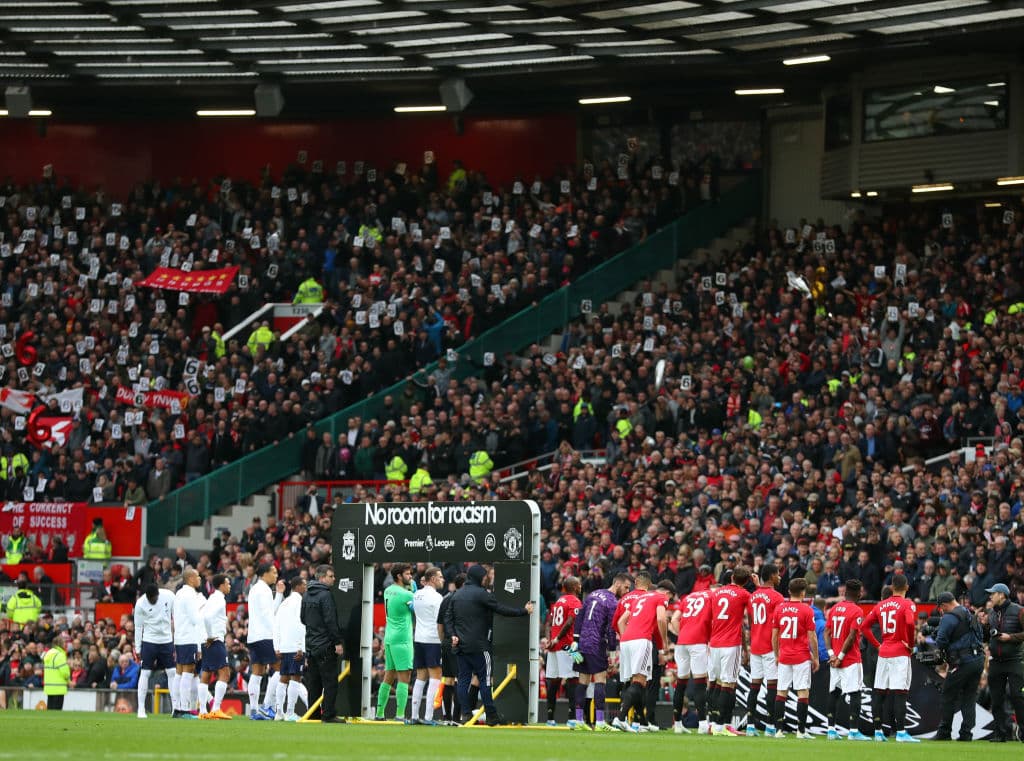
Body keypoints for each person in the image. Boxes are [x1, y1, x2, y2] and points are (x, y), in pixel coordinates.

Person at [443, 564, 533, 726]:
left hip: (461, 647)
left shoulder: (456, 595)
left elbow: (448, 618)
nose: (486, 579)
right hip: (480, 647)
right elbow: (501, 609)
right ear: (479, 577)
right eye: (484, 577)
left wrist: (452, 635)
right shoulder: (482, 594)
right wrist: (523, 611)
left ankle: (465, 713)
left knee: (463, 681)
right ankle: (491, 716)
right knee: (485, 681)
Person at [860, 573, 919, 742]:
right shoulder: (907, 603)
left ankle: (878, 732)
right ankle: (900, 733)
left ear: (892, 587)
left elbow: (864, 626)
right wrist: (910, 643)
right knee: (900, 693)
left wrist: (878, 645)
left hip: (884, 652)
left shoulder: (881, 605)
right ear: (907, 587)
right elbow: (909, 622)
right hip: (900, 652)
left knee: (879, 693)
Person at [611, 579, 673, 733]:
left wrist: (627, 637)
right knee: (639, 681)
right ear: (668, 593)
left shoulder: (639, 598)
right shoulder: (660, 598)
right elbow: (661, 619)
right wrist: (665, 643)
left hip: (626, 641)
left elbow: (620, 621)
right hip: (642, 640)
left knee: (637, 683)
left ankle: (643, 722)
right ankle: (620, 718)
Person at [575, 573, 631, 732]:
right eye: (626, 587)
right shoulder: (613, 602)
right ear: (618, 584)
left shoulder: (592, 594)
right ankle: (600, 722)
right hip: (596, 643)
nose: (627, 591)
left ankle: (578, 720)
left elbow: (580, 617)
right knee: (600, 681)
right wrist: (613, 654)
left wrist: (576, 639)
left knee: (582, 682)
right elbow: (611, 630)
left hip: (583, 643)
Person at [931, 590, 984, 741]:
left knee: (948, 694)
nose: (941, 611)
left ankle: (944, 732)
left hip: (962, 662)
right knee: (969, 696)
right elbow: (980, 635)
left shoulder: (949, 617)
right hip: (978, 659)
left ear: (944, 605)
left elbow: (941, 641)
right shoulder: (968, 612)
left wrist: (937, 636)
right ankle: (966, 734)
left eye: (941, 608)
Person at [771, 577, 819, 739]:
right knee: (802, 692)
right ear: (803, 592)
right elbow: (812, 637)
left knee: (781, 692)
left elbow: (774, 635)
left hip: (784, 656)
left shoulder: (779, 609)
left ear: (789, 591)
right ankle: (801, 731)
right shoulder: (807, 610)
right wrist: (816, 658)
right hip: (801, 656)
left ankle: (778, 730)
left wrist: (777, 654)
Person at [824, 579, 870, 741]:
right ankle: (853, 731)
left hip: (834, 659)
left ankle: (830, 730)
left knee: (834, 692)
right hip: (849, 659)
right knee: (855, 693)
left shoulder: (834, 608)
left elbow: (826, 633)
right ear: (858, 593)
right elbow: (851, 637)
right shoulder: (857, 611)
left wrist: (832, 654)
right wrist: (841, 657)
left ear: (845, 592)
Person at [708, 564, 752, 735]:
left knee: (718, 683)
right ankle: (721, 726)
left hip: (715, 643)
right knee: (729, 683)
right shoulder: (744, 594)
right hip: (730, 644)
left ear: (732, 578)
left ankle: (714, 723)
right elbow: (754, 608)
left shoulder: (716, 593)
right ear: (746, 581)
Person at [301, 564, 345, 723]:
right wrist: (337, 642)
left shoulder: (306, 594)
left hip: (311, 646)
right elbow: (331, 621)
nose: (334, 579)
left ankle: (313, 714)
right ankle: (328, 714)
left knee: (314, 683)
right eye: (331, 576)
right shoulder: (325, 595)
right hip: (325, 645)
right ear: (321, 578)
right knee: (330, 682)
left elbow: (302, 619)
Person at [980, 582, 1024, 742]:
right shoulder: (991, 613)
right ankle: (1001, 733)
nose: (990, 596)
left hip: (1014, 661)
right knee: (996, 699)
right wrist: (984, 626)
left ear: (1002, 595)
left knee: (1017, 696)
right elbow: (986, 638)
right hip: (996, 662)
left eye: (993, 593)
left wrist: (1010, 637)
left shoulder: (1019, 610)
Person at [670, 581, 713, 734]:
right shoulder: (713, 596)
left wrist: (681, 634)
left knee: (680, 684)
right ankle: (702, 724)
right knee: (700, 683)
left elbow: (674, 619)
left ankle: (678, 725)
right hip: (698, 642)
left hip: (681, 643)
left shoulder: (688, 597)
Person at [746, 564, 783, 737]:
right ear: (771, 576)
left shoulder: (753, 596)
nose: (780, 577)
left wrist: (758, 587)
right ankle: (770, 726)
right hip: (770, 647)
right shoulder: (777, 597)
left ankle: (750, 726)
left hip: (755, 645)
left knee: (754, 687)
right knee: (772, 687)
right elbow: (780, 624)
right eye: (778, 574)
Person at [376, 563, 415, 722]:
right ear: (399, 576)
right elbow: (417, 608)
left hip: (390, 638)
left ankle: (379, 714)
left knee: (388, 676)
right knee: (404, 677)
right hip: (402, 639)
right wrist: (414, 590)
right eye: (408, 574)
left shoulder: (388, 590)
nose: (411, 577)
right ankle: (400, 715)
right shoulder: (406, 595)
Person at [247, 562, 285, 720]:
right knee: (281, 669)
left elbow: (269, 611)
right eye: (274, 572)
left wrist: (280, 594)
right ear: (264, 574)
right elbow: (268, 616)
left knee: (257, 672)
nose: (276, 575)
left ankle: (255, 711)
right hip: (265, 636)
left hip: (254, 636)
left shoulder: (256, 588)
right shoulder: (263, 590)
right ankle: (267, 706)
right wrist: (277, 635)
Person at [133, 582, 176, 719]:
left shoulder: (169, 596)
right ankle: (141, 709)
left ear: (158, 594)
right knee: (145, 673)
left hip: (166, 640)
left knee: (172, 672)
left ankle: (176, 708)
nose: (152, 601)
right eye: (150, 599)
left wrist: (177, 640)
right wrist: (138, 648)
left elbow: (177, 617)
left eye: (154, 599)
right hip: (149, 641)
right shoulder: (140, 604)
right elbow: (138, 627)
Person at [545, 576, 582, 727]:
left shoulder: (559, 602)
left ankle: (550, 718)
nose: (580, 586)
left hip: (554, 646)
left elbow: (549, 623)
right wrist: (559, 637)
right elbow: (570, 621)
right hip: (568, 646)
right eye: (578, 584)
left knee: (554, 680)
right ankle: (573, 718)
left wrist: (550, 639)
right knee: (574, 678)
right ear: (573, 587)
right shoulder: (575, 601)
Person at [411, 566, 444, 725]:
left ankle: (414, 716)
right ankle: (429, 717)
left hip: (419, 638)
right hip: (433, 639)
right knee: (435, 677)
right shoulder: (437, 598)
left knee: (420, 677)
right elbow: (440, 622)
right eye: (440, 577)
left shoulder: (416, 595)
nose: (442, 579)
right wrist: (443, 640)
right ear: (432, 579)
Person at [198, 573, 233, 720]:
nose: (229, 585)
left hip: (205, 640)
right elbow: (207, 617)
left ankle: (202, 711)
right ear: (221, 585)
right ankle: (216, 708)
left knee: (206, 673)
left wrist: (205, 636)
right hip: (215, 640)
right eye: (228, 583)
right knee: (225, 673)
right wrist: (211, 635)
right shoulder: (219, 599)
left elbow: (201, 615)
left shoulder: (211, 598)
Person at [273, 577, 308, 722]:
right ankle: (290, 712)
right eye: (304, 585)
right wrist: (300, 647)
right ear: (298, 586)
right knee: (296, 678)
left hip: (284, 647)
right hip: (295, 646)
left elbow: (276, 625)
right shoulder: (299, 602)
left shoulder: (283, 603)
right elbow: (300, 625)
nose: (306, 587)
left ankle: (279, 712)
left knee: (283, 678)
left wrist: (277, 647)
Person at [172, 568, 204, 719]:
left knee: (179, 672)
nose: (200, 579)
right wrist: (199, 644)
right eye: (198, 576)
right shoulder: (190, 595)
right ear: (191, 578)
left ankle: (177, 708)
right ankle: (184, 709)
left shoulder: (179, 593)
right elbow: (195, 619)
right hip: (189, 637)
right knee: (188, 671)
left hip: (179, 637)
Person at [435, 572, 464, 724]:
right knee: (460, 679)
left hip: (446, 642)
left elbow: (439, 625)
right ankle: (456, 718)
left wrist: (443, 642)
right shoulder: (463, 600)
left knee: (448, 680)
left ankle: (447, 717)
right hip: (458, 643)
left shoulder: (446, 599)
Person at [42, 633, 71, 710]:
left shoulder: (48, 654)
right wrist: (68, 680)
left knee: (50, 711)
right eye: (64, 642)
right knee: (57, 711)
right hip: (59, 687)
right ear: (60, 643)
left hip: (49, 687)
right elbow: (65, 672)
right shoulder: (59, 655)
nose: (65, 644)